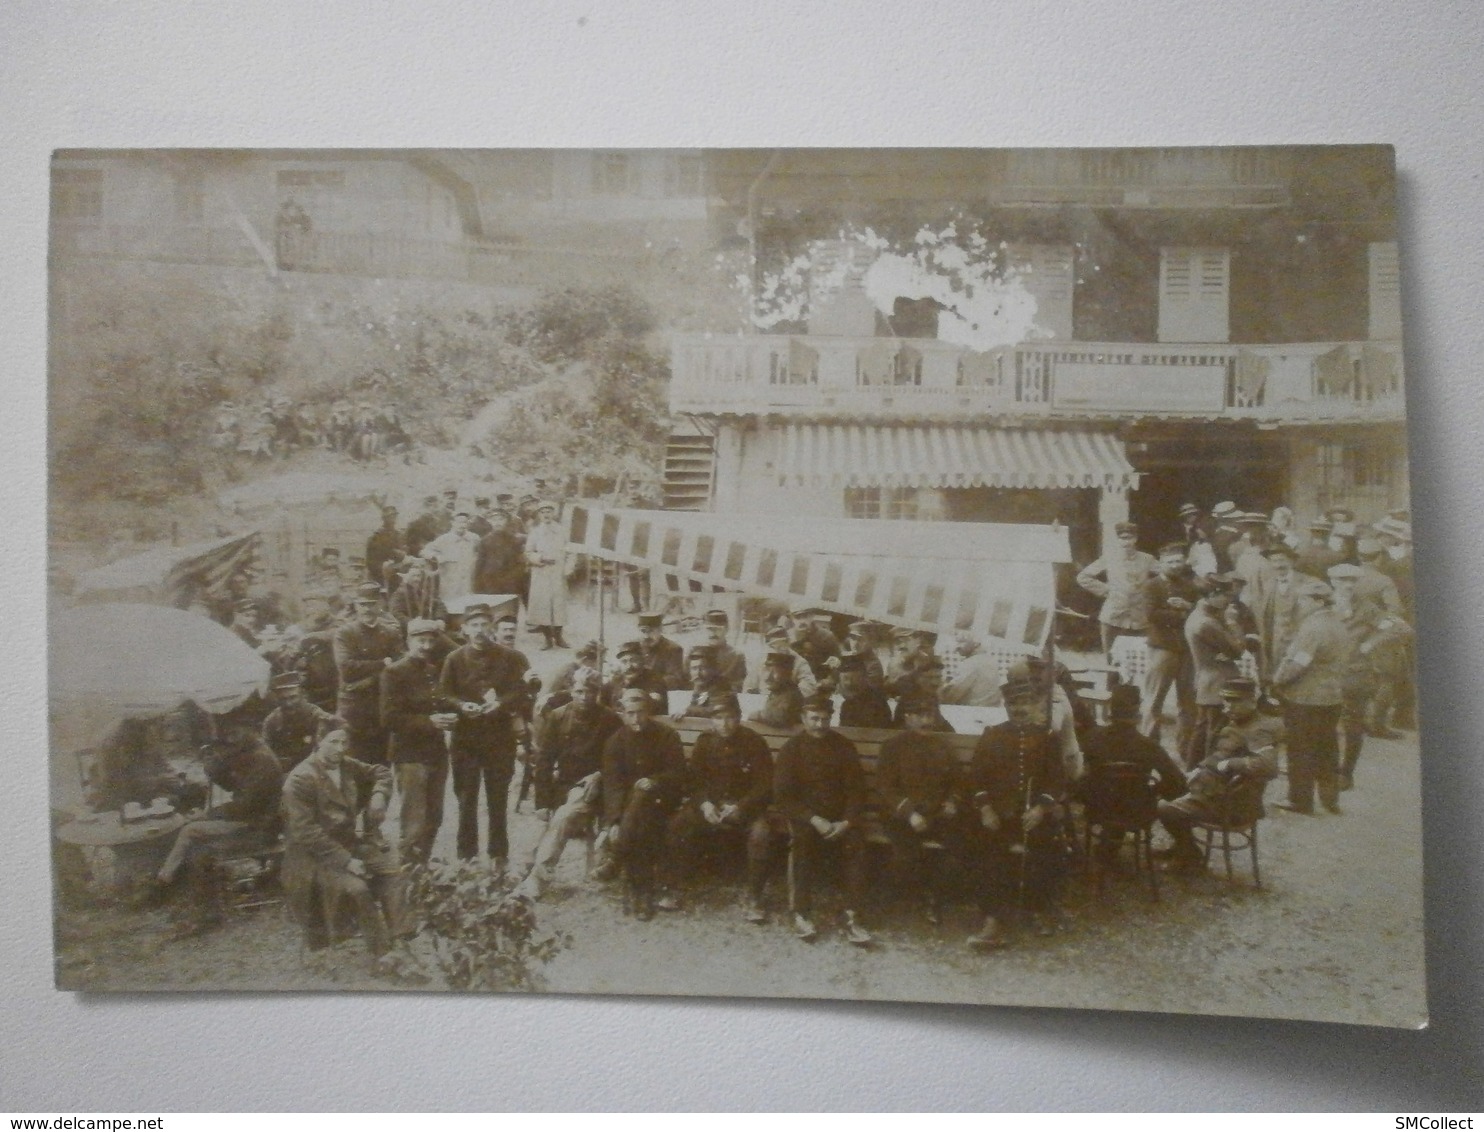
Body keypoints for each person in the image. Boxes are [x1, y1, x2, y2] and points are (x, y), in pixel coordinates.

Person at [962, 668, 1071, 949]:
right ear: (1005, 706)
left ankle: (1038, 909)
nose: (1019, 709)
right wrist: (985, 809)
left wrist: (1041, 809)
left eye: (1025, 703)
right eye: (1013, 704)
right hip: (998, 816)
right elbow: (975, 778)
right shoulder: (992, 735)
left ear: (1035, 705)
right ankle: (993, 921)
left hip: (1033, 816)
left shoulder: (1047, 738)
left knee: (1048, 848)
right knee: (988, 850)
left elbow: (1057, 779)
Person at [281, 729, 410, 961]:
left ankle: (399, 938)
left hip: (349, 845)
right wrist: (348, 861)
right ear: (318, 741)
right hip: (313, 858)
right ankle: (382, 953)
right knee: (358, 889)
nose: (340, 748)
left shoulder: (345, 764)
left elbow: (380, 771)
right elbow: (306, 833)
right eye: (333, 742)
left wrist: (379, 795)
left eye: (344, 742)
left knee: (393, 873)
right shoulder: (300, 779)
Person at [154, 726, 285, 926]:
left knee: (190, 830)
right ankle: (174, 882)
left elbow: (245, 805)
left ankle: (164, 882)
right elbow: (234, 786)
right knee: (192, 830)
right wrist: (214, 770)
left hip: (257, 827)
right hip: (251, 820)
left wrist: (209, 814)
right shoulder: (252, 754)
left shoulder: (263, 762)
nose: (225, 754)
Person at [666, 694, 779, 922]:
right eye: (718, 718)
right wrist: (705, 803)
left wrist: (741, 806)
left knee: (761, 833)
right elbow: (695, 780)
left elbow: (765, 784)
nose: (724, 724)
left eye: (730, 718)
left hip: (745, 807)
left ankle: (754, 896)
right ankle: (674, 886)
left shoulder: (754, 742)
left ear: (738, 718)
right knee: (678, 823)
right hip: (712, 806)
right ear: (712, 720)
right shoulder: (705, 742)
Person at [514, 668, 622, 901]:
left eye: (591, 691)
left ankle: (537, 879)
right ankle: (525, 870)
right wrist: (542, 802)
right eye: (580, 691)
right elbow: (543, 761)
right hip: (562, 785)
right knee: (541, 825)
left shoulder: (610, 720)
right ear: (572, 690)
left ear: (598, 693)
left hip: (594, 789)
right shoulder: (558, 716)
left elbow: (618, 761)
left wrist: (599, 774)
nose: (585, 697)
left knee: (563, 816)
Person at [774, 694, 873, 945]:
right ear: (803, 719)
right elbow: (784, 797)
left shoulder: (844, 746)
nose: (820, 725)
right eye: (814, 719)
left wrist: (847, 821)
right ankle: (800, 912)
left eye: (825, 719)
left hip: (840, 818)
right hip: (806, 818)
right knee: (801, 843)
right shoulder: (791, 749)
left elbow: (857, 790)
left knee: (856, 843)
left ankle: (853, 915)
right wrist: (813, 818)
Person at [438, 602, 530, 868]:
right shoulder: (454, 659)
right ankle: (467, 857)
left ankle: (498, 855)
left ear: (492, 627)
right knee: (466, 799)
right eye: (474, 625)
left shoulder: (509, 657)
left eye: (484, 625)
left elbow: (521, 691)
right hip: (466, 739)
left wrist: (500, 703)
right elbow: (444, 694)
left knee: (498, 797)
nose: (479, 630)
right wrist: (460, 706)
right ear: (465, 629)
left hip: (499, 738)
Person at [1156, 678, 1281, 873]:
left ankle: (1189, 856)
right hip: (1218, 791)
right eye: (1226, 701)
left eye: (1236, 701)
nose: (1229, 707)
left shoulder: (1259, 730)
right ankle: (1183, 847)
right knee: (1170, 788)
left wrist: (1229, 764)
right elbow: (1222, 753)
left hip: (1232, 803)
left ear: (1252, 701)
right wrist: (1200, 768)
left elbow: (1268, 766)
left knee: (1165, 809)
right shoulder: (1239, 722)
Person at [875, 691, 966, 925]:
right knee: (907, 854)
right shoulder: (892, 747)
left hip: (937, 813)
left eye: (930, 715)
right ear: (907, 718)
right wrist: (910, 814)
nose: (926, 721)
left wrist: (952, 802)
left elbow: (958, 781)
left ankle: (934, 897)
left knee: (959, 846)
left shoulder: (942, 746)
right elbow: (886, 787)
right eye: (919, 715)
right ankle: (905, 895)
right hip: (902, 815)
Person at [602, 686, 688, 920]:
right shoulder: (616, 741)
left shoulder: (667, 735)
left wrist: (655, 781)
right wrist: (614, 821)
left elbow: (678, 773)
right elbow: (612, 785)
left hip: (663, 799)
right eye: (630, 713)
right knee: (640, 821)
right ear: (623, 713)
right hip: (631, 809)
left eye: (640, 712)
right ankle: (643, 894)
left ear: (649, 711)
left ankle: (617, 857)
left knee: (642, 798)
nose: (636, 718)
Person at [1077, 684, 1188, 863]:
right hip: (1137, 810)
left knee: (1107, 788)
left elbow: (1076, 772)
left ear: (1109, 712)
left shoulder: (1092, 738)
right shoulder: (1148, 746)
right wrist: (1153, 790)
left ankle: (1108, 846)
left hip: (1098, 808)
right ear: (1137, 715)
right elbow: (1178, 782)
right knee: (1129, 791)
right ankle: (1187, 848)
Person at [1269, 577, 1349, 815]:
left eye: (1303, 599)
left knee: (1300, 749)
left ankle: (1300, 800)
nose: (1299, 603)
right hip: (1333, 696)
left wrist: (1277, 681)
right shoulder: (1338, 623)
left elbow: (1299, 663)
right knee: (1328, 747)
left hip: (1306, 697)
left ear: (1317, 601)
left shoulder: (1313, 627)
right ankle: (1330, 799)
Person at [381, 618, 457, 865]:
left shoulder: (432, 670)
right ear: (408, 641)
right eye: (420, 640)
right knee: (414, 821)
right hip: (410, 756)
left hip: (435, 753)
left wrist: (453, 713)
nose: (425, 646)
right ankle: (409, 873)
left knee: (434, 817)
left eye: (430, 641)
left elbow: (438, 703)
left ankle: (422, 869)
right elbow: (389, 718)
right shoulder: (394, 672)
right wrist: (430, 722)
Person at [332, 583, 404, 765]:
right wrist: (382, 663)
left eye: (371, 604)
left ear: (380, 604)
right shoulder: (345, 633)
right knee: (353, 765)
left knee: (382, 767)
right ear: (356, 605)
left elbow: (400, 666)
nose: (367, 609)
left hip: (381, 708)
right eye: (362, 604)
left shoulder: (390, 632)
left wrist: (372, 674)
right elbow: (346, 668)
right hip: (354, 711)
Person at [1183, 574, 1250, 769]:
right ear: (1212, 594)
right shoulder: (1208, 622)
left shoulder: (1199, 614)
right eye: (1226, 596)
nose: (1230, 600)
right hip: (1218, 682)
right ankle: (1207, 775)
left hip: (1207, 680)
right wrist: (1232, 623)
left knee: (1202, 730)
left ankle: (1191, 771)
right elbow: (1238, 650)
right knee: (1214, 733)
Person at [1140, 543, 1200, 749]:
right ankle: (1149, 746)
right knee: (1154, 700)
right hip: (1162, 649)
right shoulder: (1152, 585)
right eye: (1170, 562)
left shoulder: (1191, 587)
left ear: (1184, 563)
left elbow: (1200, 615)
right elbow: (1152, 615)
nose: (1175, 565)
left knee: (1188, 703)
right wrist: (1182, 615)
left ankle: (1186, 749)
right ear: (1161, 563)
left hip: (1186, 650)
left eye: (1178, 561)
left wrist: (1188, 607)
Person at [1076, 521, 1157, 657]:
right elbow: (1083, 577)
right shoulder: (1110, 558)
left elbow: (1165, 574)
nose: (1126, 542)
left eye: (1129, 538)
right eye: (1122, 538)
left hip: (1140, 620)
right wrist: (1107, 590)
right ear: (1118, 540)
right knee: (1112, 662)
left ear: (1135, 539)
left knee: (1138, 661)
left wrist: (1150, 590)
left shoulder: (1147, 559)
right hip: (1113, 617)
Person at [1249, 543, 1310, 684]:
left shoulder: (1306, 583)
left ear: (1292, 561)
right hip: (1272, 643)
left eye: (1282, 560)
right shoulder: (1268, 584)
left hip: (1296, 643)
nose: (1278, 565)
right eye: (1274, 561)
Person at [261, 672, 338, 772]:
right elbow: (266, 753)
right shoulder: (271, 722)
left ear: (303, 694)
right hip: (285, 772)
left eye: (293, 697)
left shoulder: (315, 715)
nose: (288, 703)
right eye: (283, 699)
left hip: (315, 770)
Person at [524, 502, 570, 650]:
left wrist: (568, 569)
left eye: (549, 511)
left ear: (554, 513)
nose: (546, 514)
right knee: (542, 605)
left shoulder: (563, 531)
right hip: (541, 572)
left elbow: (571, 550)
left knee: (558, 604)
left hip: (558, 571)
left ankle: (559, 637)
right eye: (543, 512)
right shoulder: (535, 532)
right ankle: (547, 639)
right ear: (539, 514)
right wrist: (540, 558)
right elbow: (528, 552)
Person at [423, 510, 481, 607]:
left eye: (465, 522)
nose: (462, 525)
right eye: (459, 522)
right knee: (450, 605)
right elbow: (425, 551)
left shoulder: (474, 538)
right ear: (453, 523)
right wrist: (438, 557)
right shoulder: (444, 539)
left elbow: (481, 552)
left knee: (468, 605)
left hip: (468, 580)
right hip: (450, 580)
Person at [686, 609, 747, 694]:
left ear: (726, 629)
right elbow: (685, 680)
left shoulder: (736, 656)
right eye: (709, 629)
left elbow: (737, 686)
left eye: (718, 629)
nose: (713, 633)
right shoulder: (694, 651)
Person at [472, 511, 527, 600]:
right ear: (489, 521)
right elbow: (479, 564)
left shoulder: (515, 540)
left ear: (506, 521)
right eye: (494, 519)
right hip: (490, 583)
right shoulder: (485, 541)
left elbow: (521, 564)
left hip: (511, 584)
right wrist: (477, 587)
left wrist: (513, 578)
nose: (497, 522)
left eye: (501, 519)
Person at [603, 640, 670, 713]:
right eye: (624, 662)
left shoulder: (654, 679)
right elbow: (601, 705)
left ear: (643, 661)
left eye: (633, 660)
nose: (629, 666)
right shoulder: (615, 681)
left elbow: (655, 703)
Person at [940, 632, 1002, 708]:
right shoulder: (991, 660)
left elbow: (952, 695)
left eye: (961, 642)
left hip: (971, 712)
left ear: (976, 642)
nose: (956, 648)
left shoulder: (972, 663)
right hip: (990, 712)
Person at [748, 648, 805, 729]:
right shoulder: (777, 692)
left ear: (787, 674)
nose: (768, 678)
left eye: (774, 672)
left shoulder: (791, 695)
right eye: (767, 671)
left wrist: (758, 715)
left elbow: (780, 717)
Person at [836, 652, 895, 729]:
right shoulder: (847, 704)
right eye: (845, 679)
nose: (848, 683)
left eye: (852, 679)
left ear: (863, 677)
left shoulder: (876, 702)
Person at [636, 611, 688, 690]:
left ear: (660, 629)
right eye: (643, 631)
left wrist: (648, 684)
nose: (646, 636)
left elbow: (675, 679)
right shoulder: (634, 647)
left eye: (651, 631)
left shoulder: (673, 649)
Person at [364, 507, 404, 592]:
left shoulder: (398, 534)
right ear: (384, 518)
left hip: (398, 573)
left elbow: (403, 553)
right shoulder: (377, 536)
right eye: (390, 517)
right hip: (381, 574)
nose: (393, 519)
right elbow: (371, 561)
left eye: (394, 516)